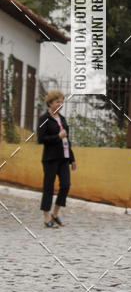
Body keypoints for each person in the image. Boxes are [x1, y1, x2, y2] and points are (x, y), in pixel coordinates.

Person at [37, 90, 76, 227]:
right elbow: (41, 139)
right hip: (50, 158)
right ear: (50, 103)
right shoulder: (44, 119)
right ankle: (46, 217)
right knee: (49, 186)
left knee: (66, 185)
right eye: (57, 101)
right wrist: (57, 137)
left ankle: (55, 213)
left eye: (62, 102)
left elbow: (67, 141)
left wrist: (72, 159)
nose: (60, 104)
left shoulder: (63, 119)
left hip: (64, 158)